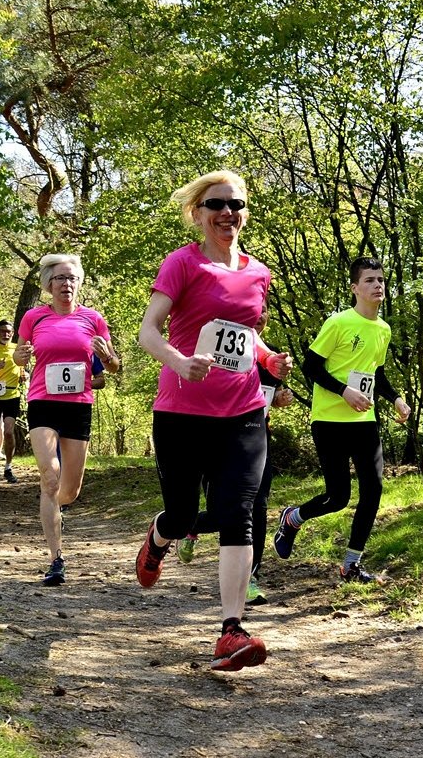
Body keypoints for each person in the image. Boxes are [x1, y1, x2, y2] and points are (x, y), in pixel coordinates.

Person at [135, 170, 292, 672]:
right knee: (182, 515)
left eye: (236, 204)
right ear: (199, 214)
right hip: (182, 411)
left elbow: (245, 337)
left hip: (244, 411)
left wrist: (269, 361)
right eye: (217, 204)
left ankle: (231, 630)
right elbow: (148, 331)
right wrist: (179, 362)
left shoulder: (258, 272)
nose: (228, 212)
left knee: (236, 511)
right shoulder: (182, 264)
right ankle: (160, 537)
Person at [273, 256, 411, 583]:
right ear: (354, 288)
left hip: (364, 422)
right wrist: (343, 391)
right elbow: (311, 367)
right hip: (329, 421)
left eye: (381, 280)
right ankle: (293, 518)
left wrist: (395, 398)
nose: (378, 285)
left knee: (374, 490)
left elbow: (376, 372)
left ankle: (351, 565)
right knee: (338, 497)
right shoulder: (338, 323)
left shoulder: (383, 329)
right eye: (370, 281)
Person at [176, 303, 295, 607]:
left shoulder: (273, 355)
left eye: (267, 309)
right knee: (220, 513)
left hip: (257, 440)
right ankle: (188, 526)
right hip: (216, 437)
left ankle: (250, 577)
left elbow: (268, 397)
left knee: (258, 505)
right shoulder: (219, 343)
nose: (261, 314)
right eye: (256, 308)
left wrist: (280, 400)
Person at [13, 254, 119, 586]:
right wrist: (19, 356)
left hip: (78, 406)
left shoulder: (93, 319)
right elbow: (19, 355)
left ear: (78, 283)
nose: (66, 283)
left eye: (72, 278)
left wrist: (106, 357)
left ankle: (55, 510)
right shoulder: (34, 317)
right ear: (48, 284)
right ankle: (56, 559)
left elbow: (114, 366)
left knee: (69, 491)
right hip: (43, 402)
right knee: (50, 476)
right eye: (60, 278)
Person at [0, 319, 26, 486]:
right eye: (2, 331)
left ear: (13, 333)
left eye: (8, 331)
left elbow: (23, 369)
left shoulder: (17, 348)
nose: (5, 334)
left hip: (12, 396)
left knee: (8, 432)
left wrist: (25, 375)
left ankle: (8, 467)